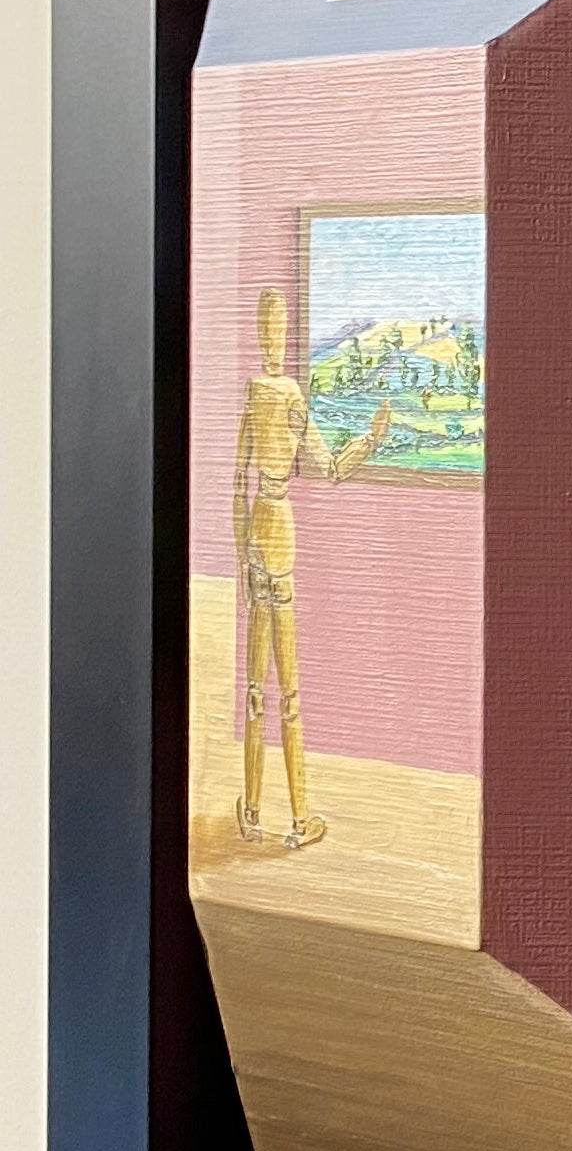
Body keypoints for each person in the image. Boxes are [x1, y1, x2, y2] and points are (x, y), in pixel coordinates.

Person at [230, 285, 389, 850]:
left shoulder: (256, 394)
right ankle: (298, 820)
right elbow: (329, 467)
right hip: (278, 530)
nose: (272, 336)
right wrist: (371, 440)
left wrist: (241, 554)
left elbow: (239, 482)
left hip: (258, 528)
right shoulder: (290, 396)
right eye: (271, 326)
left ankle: (254, 814)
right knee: (287, 691)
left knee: (257, 687)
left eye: (272, 327)